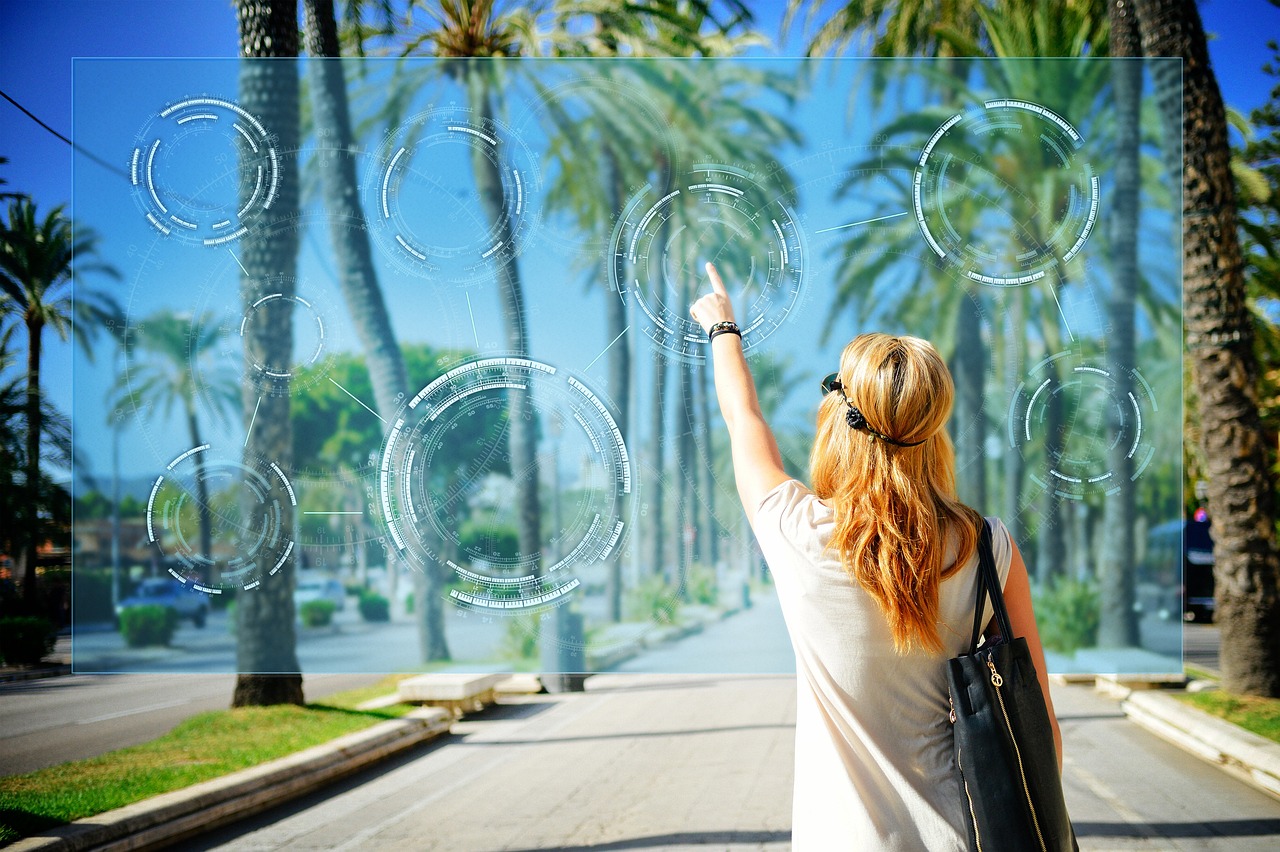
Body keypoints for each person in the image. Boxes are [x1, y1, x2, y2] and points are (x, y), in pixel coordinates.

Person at [689, 262, 1061, 850]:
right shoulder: (986, 547)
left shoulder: (798, 531)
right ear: (933, 428)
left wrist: (723, 329)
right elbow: (1041, 733)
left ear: (838, 422)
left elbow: (744, 421)